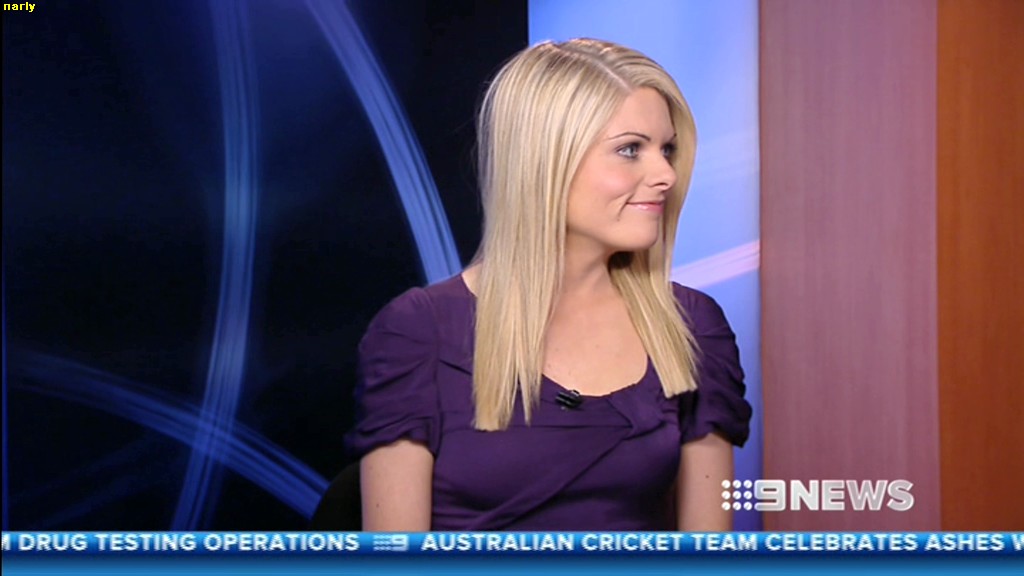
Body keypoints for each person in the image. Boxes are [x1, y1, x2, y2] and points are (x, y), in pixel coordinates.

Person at [347, 38, 751, 531]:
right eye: (630, 150)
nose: (665, 174)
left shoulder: (691, 324)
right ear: (544, 160)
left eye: (666, 149)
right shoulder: (417, 332)